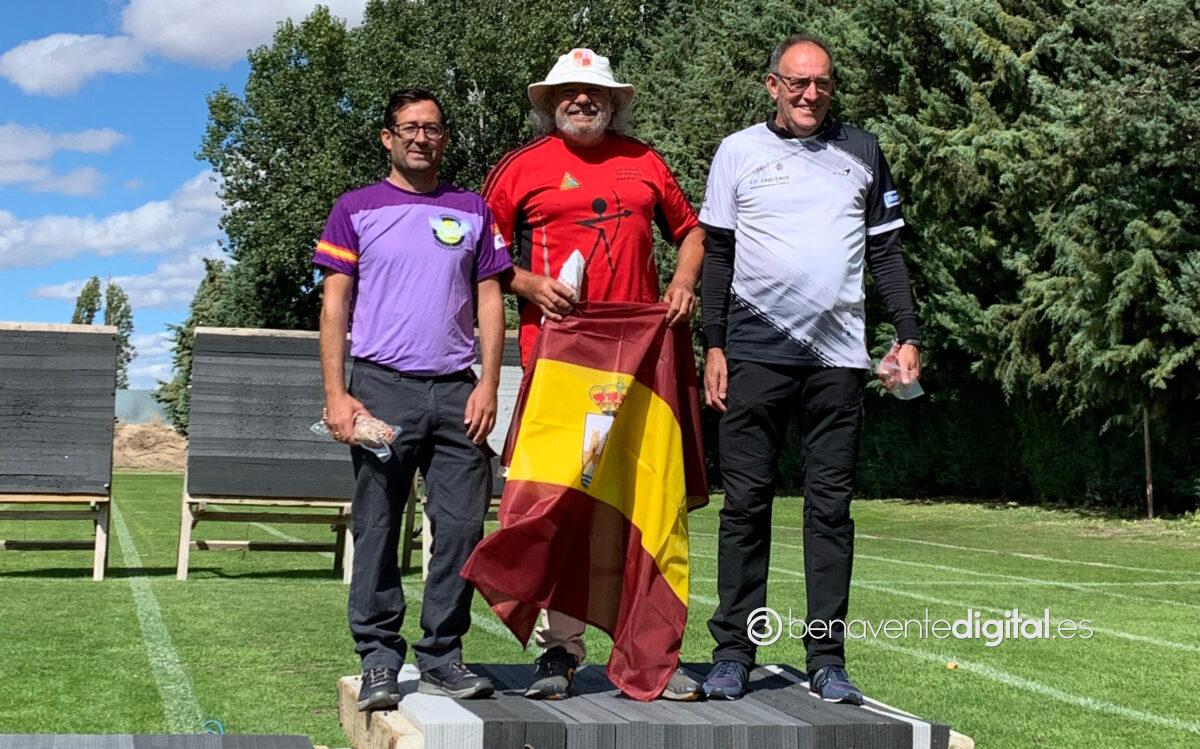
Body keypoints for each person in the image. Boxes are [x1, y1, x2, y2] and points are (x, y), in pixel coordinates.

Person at [698, 34, 922, 703]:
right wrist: (713, 345)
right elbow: (717, 256)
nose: (810, 94)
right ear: (772, 85)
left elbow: (886, 255)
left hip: (837, 363)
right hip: (754, 358)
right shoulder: (737, 151)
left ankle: (826, 658)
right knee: (745, 508)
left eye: (821, 82)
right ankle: (733, 652)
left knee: (830, 512)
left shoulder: (863, 150)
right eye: (797, 83)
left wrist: (907, 333)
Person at [483, 48, 706, 700]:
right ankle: (560, 652)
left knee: (646, 505)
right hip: (565, 365)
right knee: (563, 505)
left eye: (594, 92)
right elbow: (480, 244)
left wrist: (685, 280)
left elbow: (691, 231)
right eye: (570, 93)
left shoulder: (645, 160)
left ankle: (651, 655)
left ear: (614, 101)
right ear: (551, 103)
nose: (582, 101)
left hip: (642, 370)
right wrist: (525, 280)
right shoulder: (523, 167)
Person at [316, 88, 510, 710]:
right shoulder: (355, 208)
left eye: (431, 128)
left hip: (458, 391)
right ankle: (377, 656)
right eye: (408, 127)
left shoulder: (473, 209)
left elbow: (489, 301)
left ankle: (442, 656)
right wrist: (338, 394)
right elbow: (335, 305)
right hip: (380, 389)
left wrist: (488, 382)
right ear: (387, 137)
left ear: (443, 139)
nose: (420, 137)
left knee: (460, 528)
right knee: (377, 523)